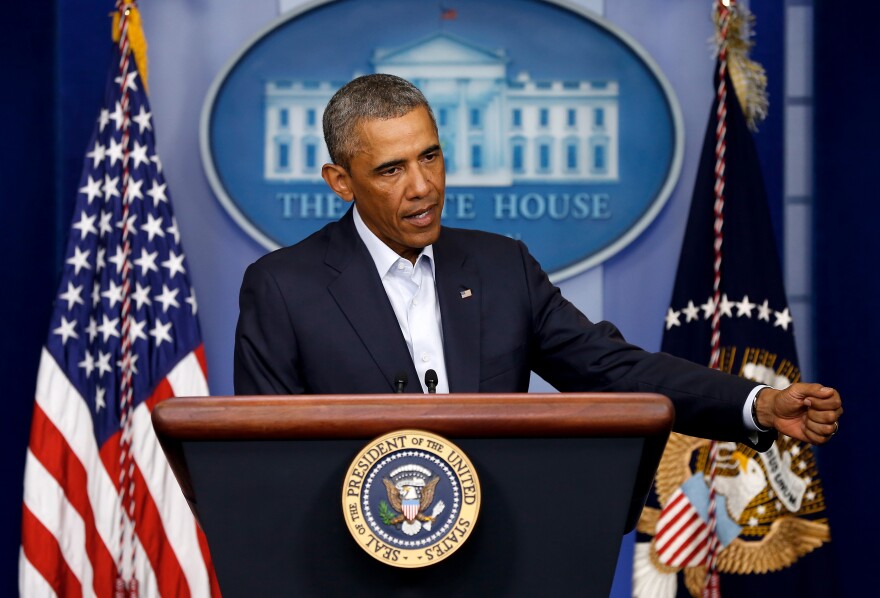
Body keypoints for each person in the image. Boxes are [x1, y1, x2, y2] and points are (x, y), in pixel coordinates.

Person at [234, 73, 841, 450]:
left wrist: (755, 403)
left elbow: (614, 370)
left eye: (431, 157)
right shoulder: (284, 287)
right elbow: (265, 457)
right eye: (391, 170)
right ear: (341, 181)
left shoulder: (502, 267)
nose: (422, 187)